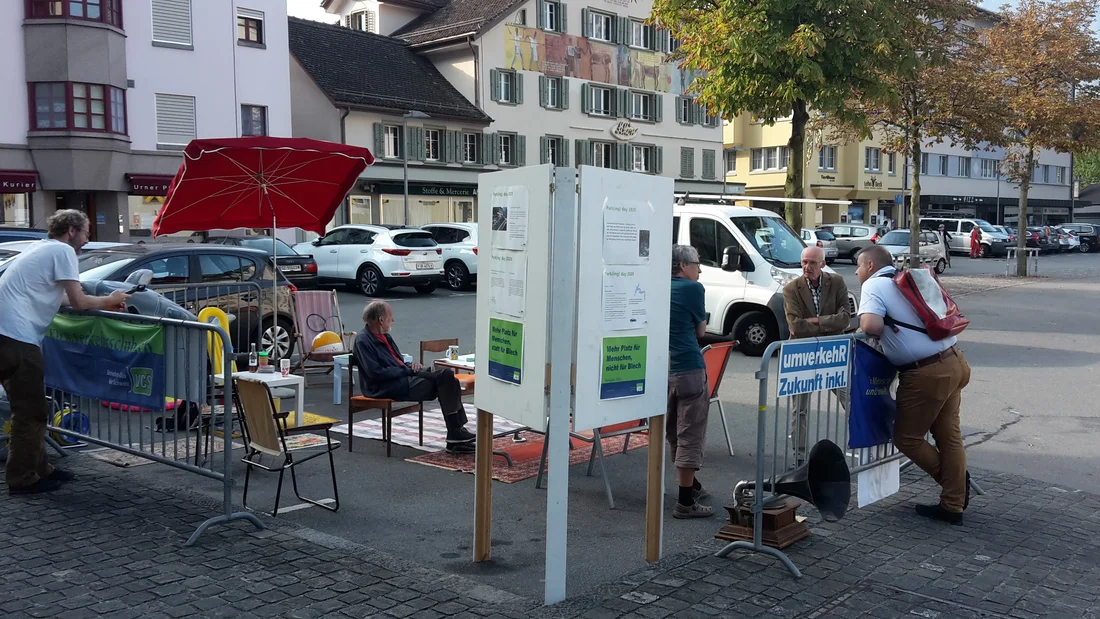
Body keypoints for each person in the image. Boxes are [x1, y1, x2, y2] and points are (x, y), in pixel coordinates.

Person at [0, 209, 130, 495]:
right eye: (85, 232)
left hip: (7, 332)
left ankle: (40, 469)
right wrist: (111, 299)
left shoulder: (41, 248)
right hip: (16, 335)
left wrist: (103, 303)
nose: (86, 239)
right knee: (31, 412)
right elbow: (79, 301)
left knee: (30, 408)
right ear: (71, 231)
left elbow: (61, 300)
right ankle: (22, 479)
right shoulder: (62, 252)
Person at [856, 245, 971, 524]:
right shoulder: (909, 279)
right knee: (948, 435)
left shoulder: (874, 286)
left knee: (906, 438)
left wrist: (861, 322)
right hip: (955, 361)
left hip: (926, 373)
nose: (857, 272)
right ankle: (953, 502)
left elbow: (870, 325)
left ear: (870, 265)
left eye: (858, 266)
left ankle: (955, 486)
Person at [354, 301, 475, 452]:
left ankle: (456, 433)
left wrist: (411, 366)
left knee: (447, 376)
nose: (393, 321)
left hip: (403, 376)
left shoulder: (386, 337)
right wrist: (405, 370)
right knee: (446, 380)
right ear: (381, 320)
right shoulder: (363, 340)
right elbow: (376, 373)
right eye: (391, 317)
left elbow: (397, 361)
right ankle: (455, 432)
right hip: (385, 386)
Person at [782, 246, 851, 464]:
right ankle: (799, 457)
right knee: (799, 409)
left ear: (822, 264)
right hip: (803, 353)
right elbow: (796, 327)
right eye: (804, 262)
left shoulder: (836, 282)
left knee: (849, 399)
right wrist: (831, 321)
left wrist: (817, 321)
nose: (807, 267)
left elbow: (846, 319)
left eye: (812, 263)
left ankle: (863, 444)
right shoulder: (792, 289)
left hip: (831, 353)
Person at [666, 245, 712, 519]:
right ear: (683, 265)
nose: (699, 269)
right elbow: (701, 330)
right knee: (691, 433)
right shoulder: (693, 289)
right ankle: (685, 501)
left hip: (664, 368)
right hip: (688, 366)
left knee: (674, 429)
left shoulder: (657, 285)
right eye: (697, 263)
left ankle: (691, 486)